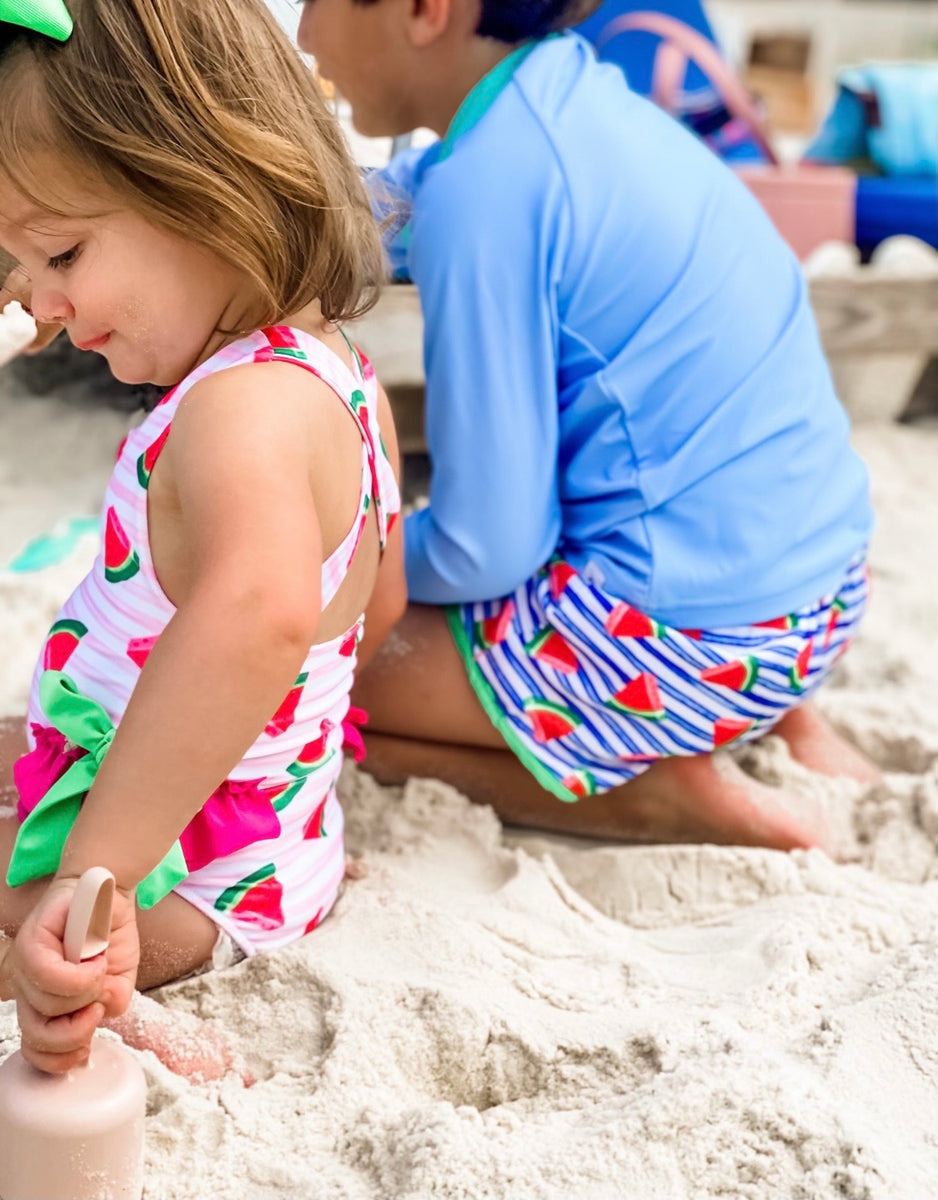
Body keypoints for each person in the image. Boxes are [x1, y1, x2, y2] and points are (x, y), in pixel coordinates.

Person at [298, 0, 880, 851]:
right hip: (817, 599)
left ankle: (655, 798)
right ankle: (786, 727)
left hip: (690, 645)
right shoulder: (569, 96)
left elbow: (486, 546)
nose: (305, 36)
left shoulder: (483, 190)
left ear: (424, 11)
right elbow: (384, 212)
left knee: (307, 682)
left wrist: (346, 566)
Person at [0, 0, 405, 1074]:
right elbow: (376, 604)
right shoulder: (340, 376)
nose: (39, 301)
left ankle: (95, 973)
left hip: (179, 873)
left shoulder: (243, 414)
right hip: (263, 830)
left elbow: (259, 615)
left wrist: (95, 880)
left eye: (63, 252)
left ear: (204, 181)